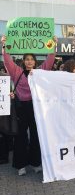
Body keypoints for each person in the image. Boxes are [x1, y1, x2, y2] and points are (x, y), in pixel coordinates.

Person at [1, 34, 58, 176]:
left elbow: (50, 60)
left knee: (36, 135)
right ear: (23, 61)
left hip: (36, 108)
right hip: (21, 108)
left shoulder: (40, 72)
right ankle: (20, 165)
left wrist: (54, 45)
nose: (30, 62)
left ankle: (36, 163)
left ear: (35, 61)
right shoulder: (16, 72)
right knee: (20, 137)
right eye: (27, 59)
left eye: (32, 59)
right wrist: (4, 45)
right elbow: (7, 60)